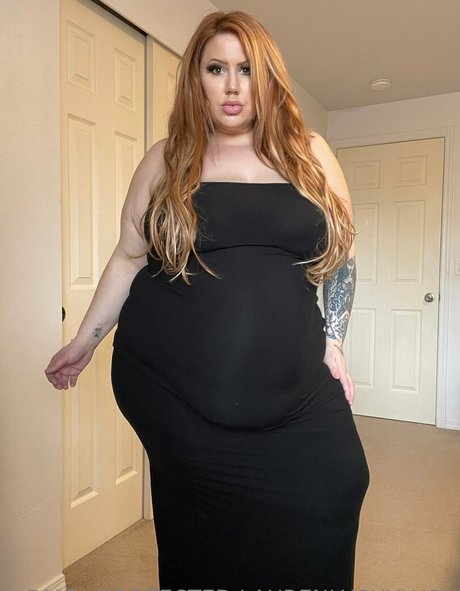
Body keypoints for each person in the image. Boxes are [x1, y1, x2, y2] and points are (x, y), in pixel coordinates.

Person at [45, 10, 369, 590]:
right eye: (216, 69)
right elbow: (129, 257)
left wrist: (334, 339)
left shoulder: (310, 153)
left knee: (337, 486)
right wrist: (83, 342)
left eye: (247, 70)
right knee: (203, 543)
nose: (232, 85)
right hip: (178, 398)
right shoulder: (167, 160)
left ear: (267, 78)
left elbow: (342, 254)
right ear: (197, 78)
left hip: (296, 395)